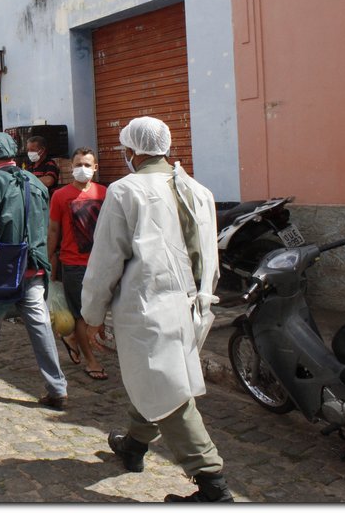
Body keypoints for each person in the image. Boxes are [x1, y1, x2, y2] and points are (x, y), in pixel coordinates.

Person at [81, 116, 233, 502]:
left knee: (171, 394)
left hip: (150, 309)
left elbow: (105, 261)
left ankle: (211, 483)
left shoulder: (125, 190)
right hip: (192, 307)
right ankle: (133, 445)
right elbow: (210, 256)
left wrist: (91, 315)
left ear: (131, 151)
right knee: (154, 378)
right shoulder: (199, 190)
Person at [0, 131, 69, 409]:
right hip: (34, 266)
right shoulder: (35, 182)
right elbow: (45, 225)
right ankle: (56, 387)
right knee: (39, 326)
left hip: (2, 268)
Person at [47, 147, 108, 380]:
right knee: (82, 315)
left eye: (86, 164)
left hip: (102, 264)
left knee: (97, 313)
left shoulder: (105, 193)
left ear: (95, 168)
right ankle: (91, 361)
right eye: (78, 164)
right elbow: (54, 230)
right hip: (73, 265)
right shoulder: (60, 196)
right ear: (71, 167)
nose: (82, 169)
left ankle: (72, 338)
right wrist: (48, 258)